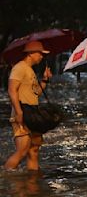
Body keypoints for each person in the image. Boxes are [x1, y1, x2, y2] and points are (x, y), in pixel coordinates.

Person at [4, 41, 52, 171]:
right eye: (40, 53)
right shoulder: (19, 68)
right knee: (22, 151)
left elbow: (36, 93)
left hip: (33, 114)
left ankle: (32, 183)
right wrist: (19, 112)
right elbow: (11, 90)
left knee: (34, 150)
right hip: (22, 113)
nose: (41, 56)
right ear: (30, 54)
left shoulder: (29, 70)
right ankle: (5, 177)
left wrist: (44, 80)